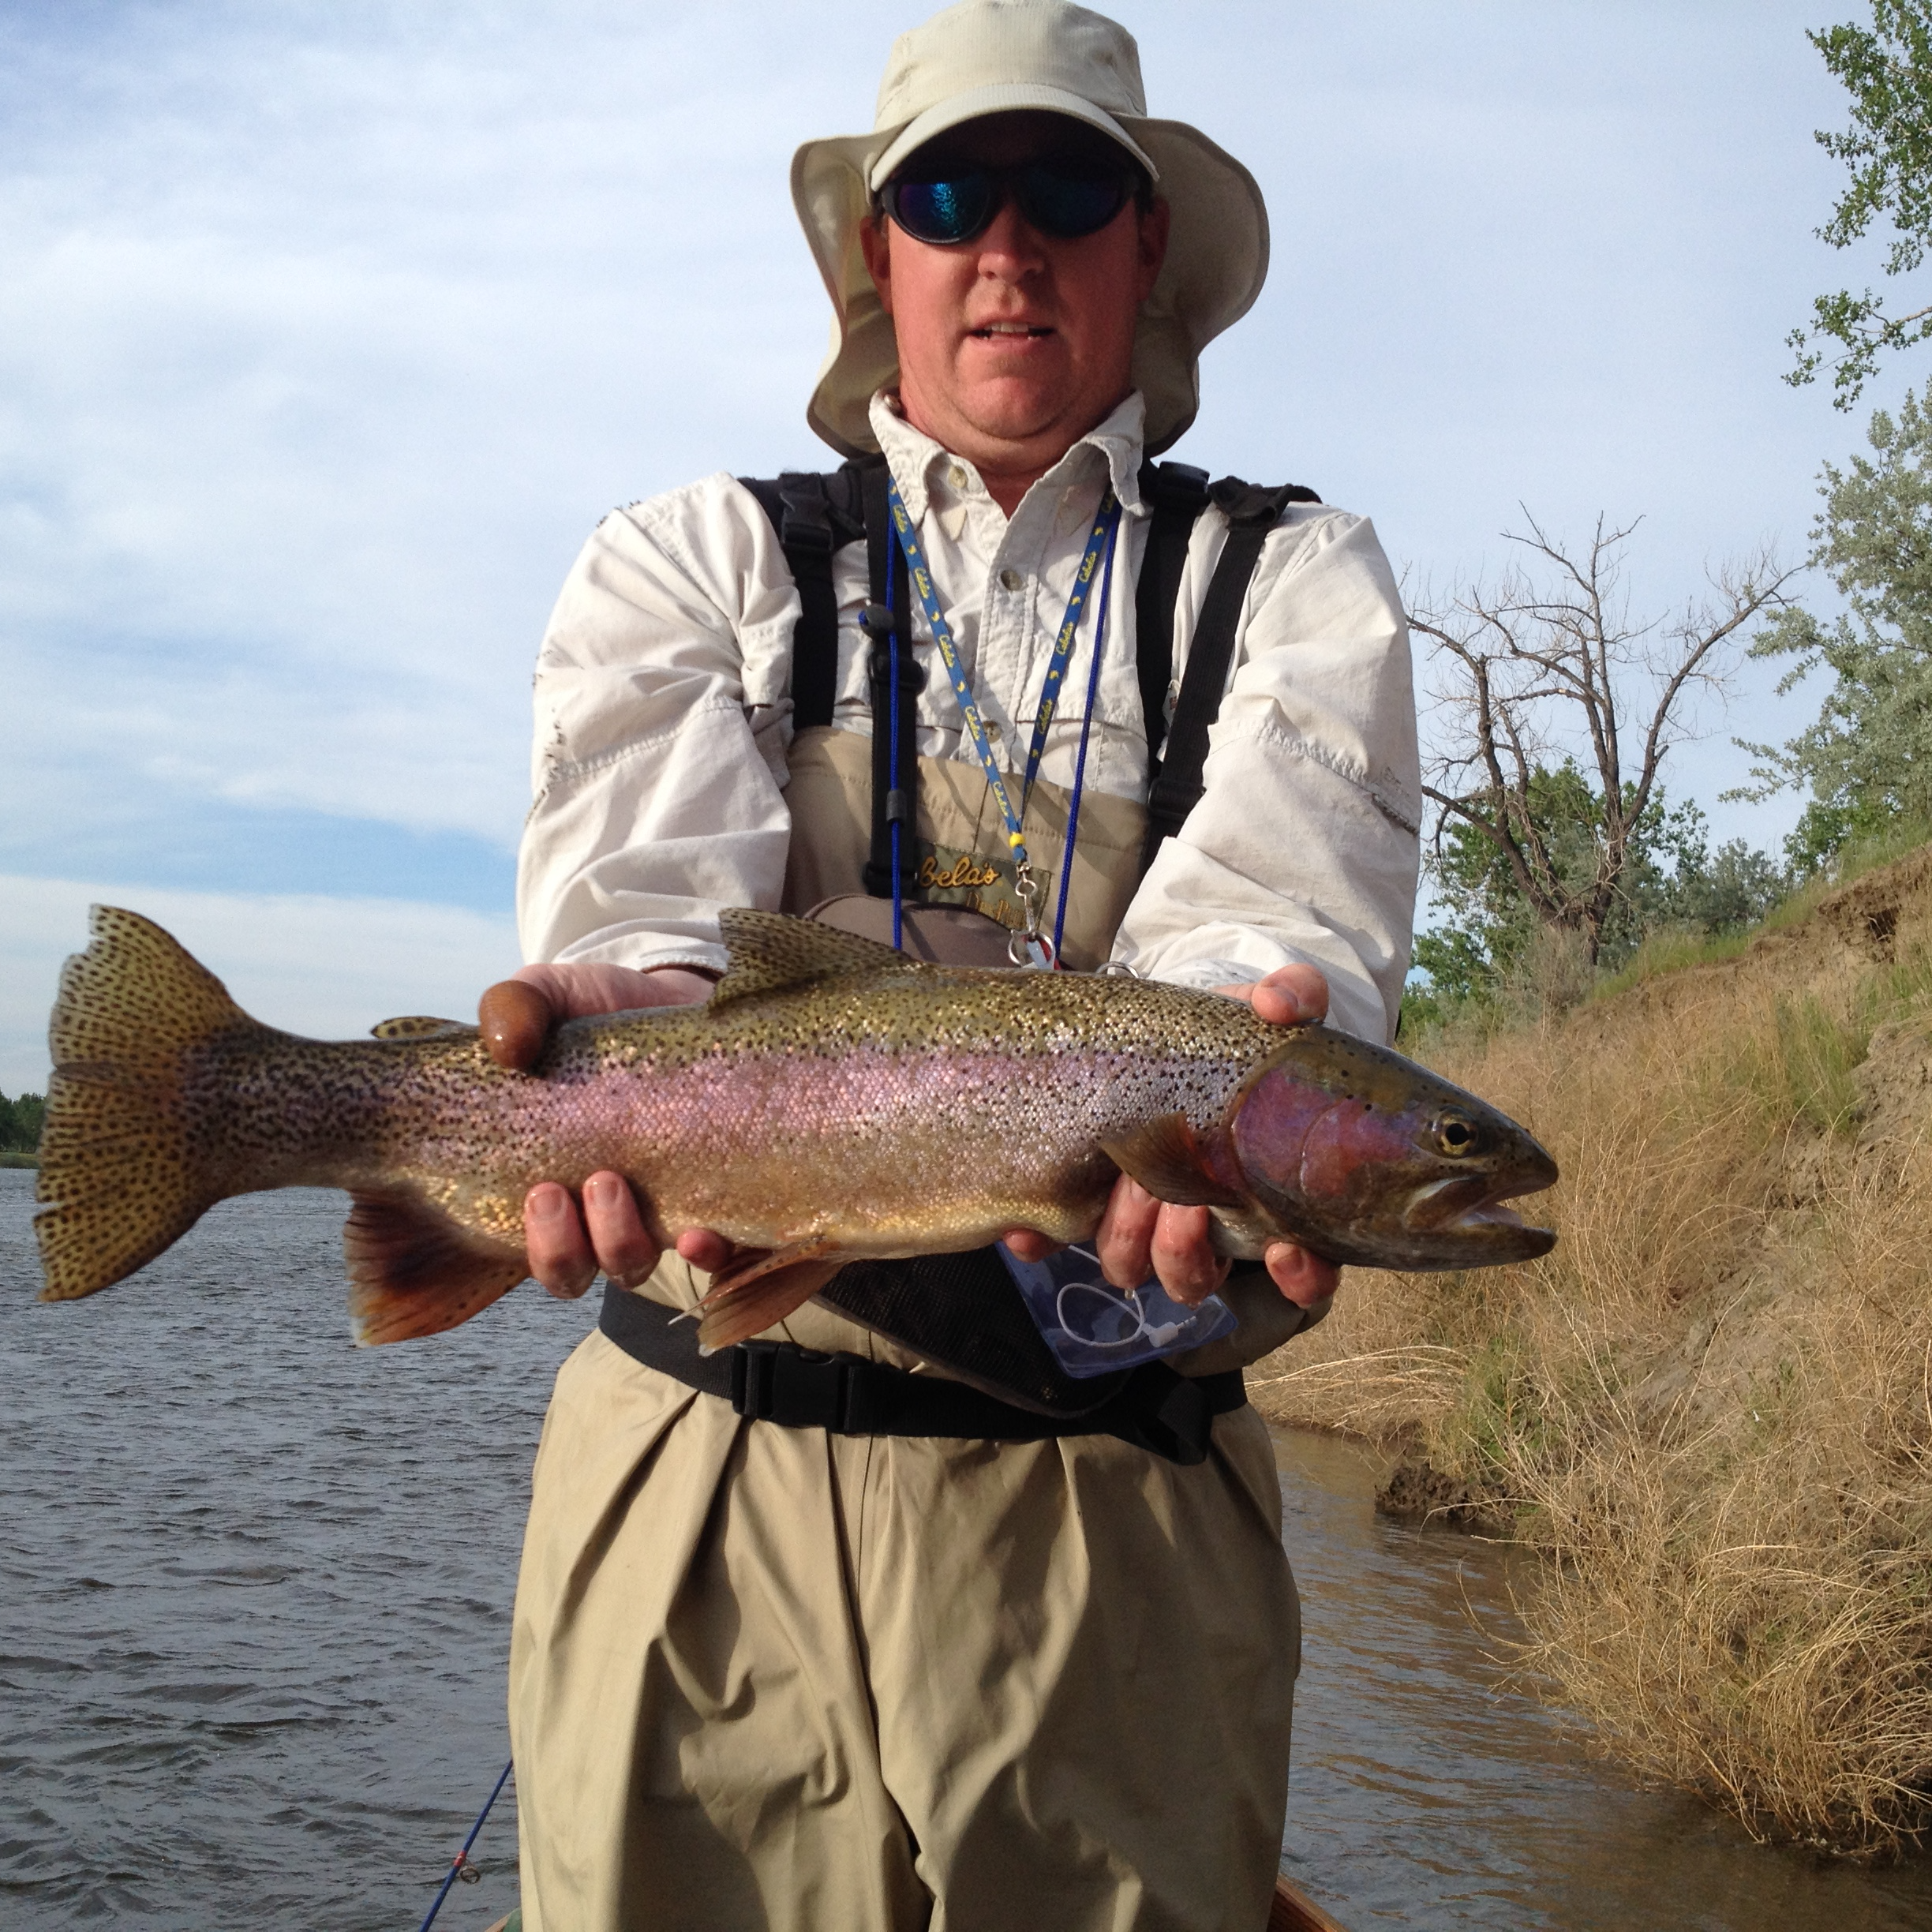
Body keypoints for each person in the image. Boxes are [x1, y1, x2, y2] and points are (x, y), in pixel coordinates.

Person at [483, 3, 1421, 1926]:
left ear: (1144, 248)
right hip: (697, 1471)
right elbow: (646, 925)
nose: (1010, 240)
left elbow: (1260, 953)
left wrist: (1219, 1127)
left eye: (1070, 186)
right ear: (874, 254)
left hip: (1120, 1506)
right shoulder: (691, 561)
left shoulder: (1294, 582)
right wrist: (628, 1028)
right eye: (948, 192)